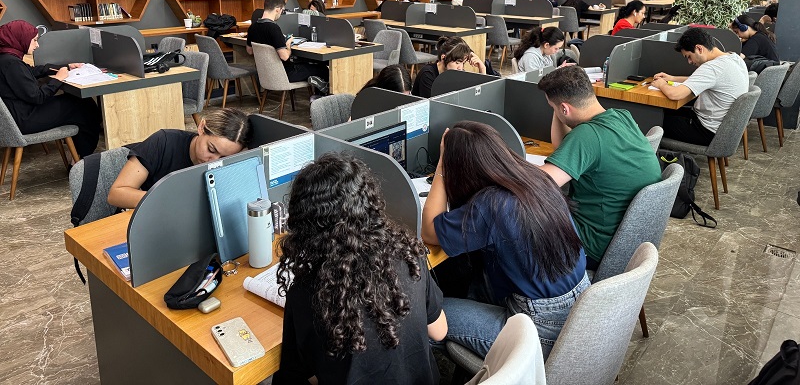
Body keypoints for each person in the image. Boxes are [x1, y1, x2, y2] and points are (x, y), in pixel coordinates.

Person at [274, 153, 447, 385]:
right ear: (369, 204)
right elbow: (439, 332)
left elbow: (296, 374)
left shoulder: (308, 292)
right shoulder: (408, 256)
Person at [421, 121, 587, 360]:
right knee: (471, 282)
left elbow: (428, 231)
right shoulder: (535, 178)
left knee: (427, 320)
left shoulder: (492, 205)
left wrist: (442, 164)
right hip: (579, 305)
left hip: (538, 327)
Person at [537, 66, 662, 269]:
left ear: (565, 109)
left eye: (554, 108)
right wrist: (557, 105)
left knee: (512, 222)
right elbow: (562, 148)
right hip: (628, 241)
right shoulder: (622, 116)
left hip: (592, 246)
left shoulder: (587, 136)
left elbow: (539, 184)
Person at [107, 108, 252, 209]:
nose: (213, 161)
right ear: (202, 127)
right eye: (211, 149)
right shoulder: (163, 142)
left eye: (224, 158)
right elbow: (116, 194)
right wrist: (170, 202)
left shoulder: (228, 164)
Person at [0, 20, 101, 158]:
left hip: (16, 116)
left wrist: (64, 67)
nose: (37, 45)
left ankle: (79, 155)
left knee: (81, 105)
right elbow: (38, 97)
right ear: (20, 38)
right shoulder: (12, 64)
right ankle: (81, 159)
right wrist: (57, 79)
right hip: (25, 119)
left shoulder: (5, 58)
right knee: (84, 106)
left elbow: (30, 71)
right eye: (34, 40)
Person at [654, 27, 749, 147]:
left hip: (706, 131)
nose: (689, 62)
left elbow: (675, 94)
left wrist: (661, 84)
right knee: (662, 112)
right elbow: (702, 80)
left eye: (689, 56)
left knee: (652, 119)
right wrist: (672, 78)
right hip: (721, 128)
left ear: (699, 48)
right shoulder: (734, 58)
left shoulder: (712, 67)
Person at [247, 0, 329, 93]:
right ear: (277, 9)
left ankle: (317, 86)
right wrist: (288, 45)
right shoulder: (274, 28)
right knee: (322, 68)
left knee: (306, 64)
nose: (281, 14)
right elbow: (285, 56)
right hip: (286, 73)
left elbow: (250, 51)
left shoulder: (253, 27)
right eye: (282, 11)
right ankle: (322, 97)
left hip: (267, 74)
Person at [411, 36, 485, 98]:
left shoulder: (456, 73)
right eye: (457, 62)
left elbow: (475, 97)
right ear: (443, 57)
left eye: (463, 63)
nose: (461, 68)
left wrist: (482, 69)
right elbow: (432, 106)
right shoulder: (427, 75)